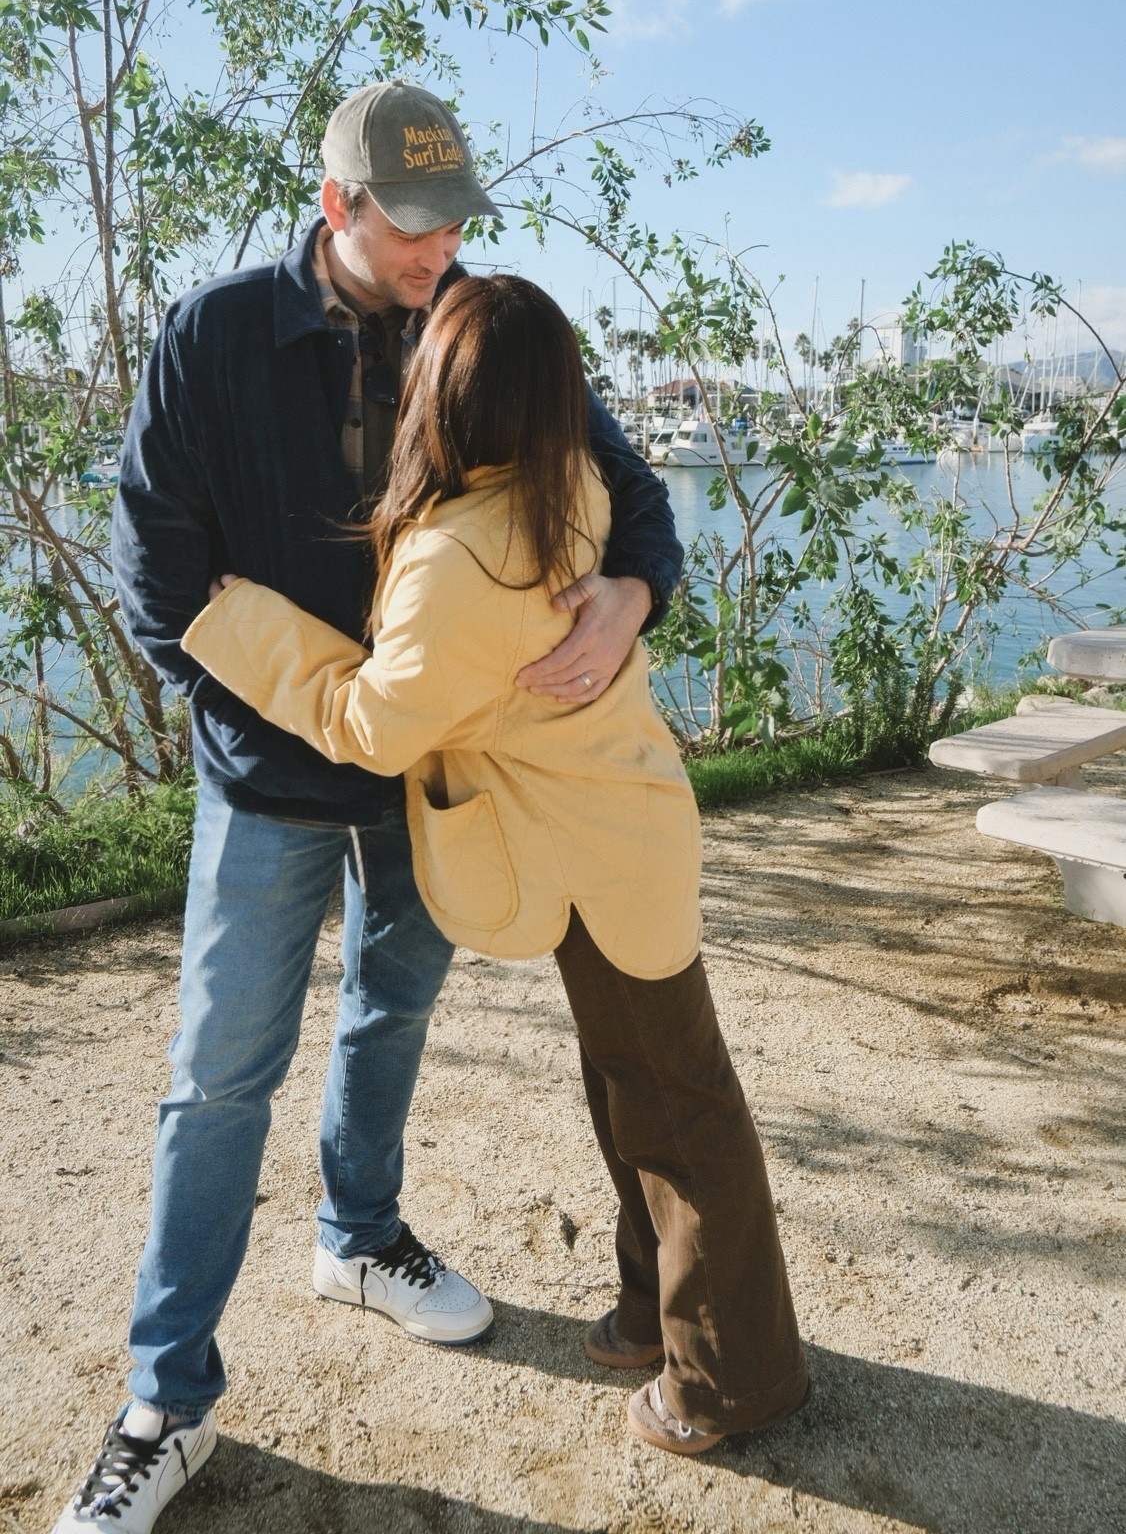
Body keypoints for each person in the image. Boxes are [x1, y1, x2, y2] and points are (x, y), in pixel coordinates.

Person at [54, 83, 682, 1534]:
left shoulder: (479, 327)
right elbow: (157, 582)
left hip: (436, 783)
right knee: (219, 1078)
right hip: (269, 781)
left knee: (390, 1017)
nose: (436, 252)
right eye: (409, 227)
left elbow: (630, 496)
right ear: (334, 205)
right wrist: (336, 710)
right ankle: (165, 1400)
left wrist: (631, 595)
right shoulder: (211, 337)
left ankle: (358, 1236)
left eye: (454, 223)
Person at [184, 272, 809, 1459]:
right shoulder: (560, 485)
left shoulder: (458, 557)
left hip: (591, 851)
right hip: (612, 833)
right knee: (638, 1084)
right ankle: (654, 1312)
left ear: (449, 400)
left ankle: (734, 1377)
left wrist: (245, 621)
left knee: (679, 1103)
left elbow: (373, 724)